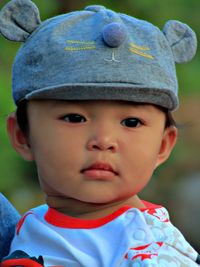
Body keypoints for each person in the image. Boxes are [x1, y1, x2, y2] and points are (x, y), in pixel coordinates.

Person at [0, 0, 199, 266]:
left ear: (163, 145)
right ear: (22, 136)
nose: (103, 141)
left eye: (131, 122)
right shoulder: (38, 235)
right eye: (75, 118)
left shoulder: (153, 242)